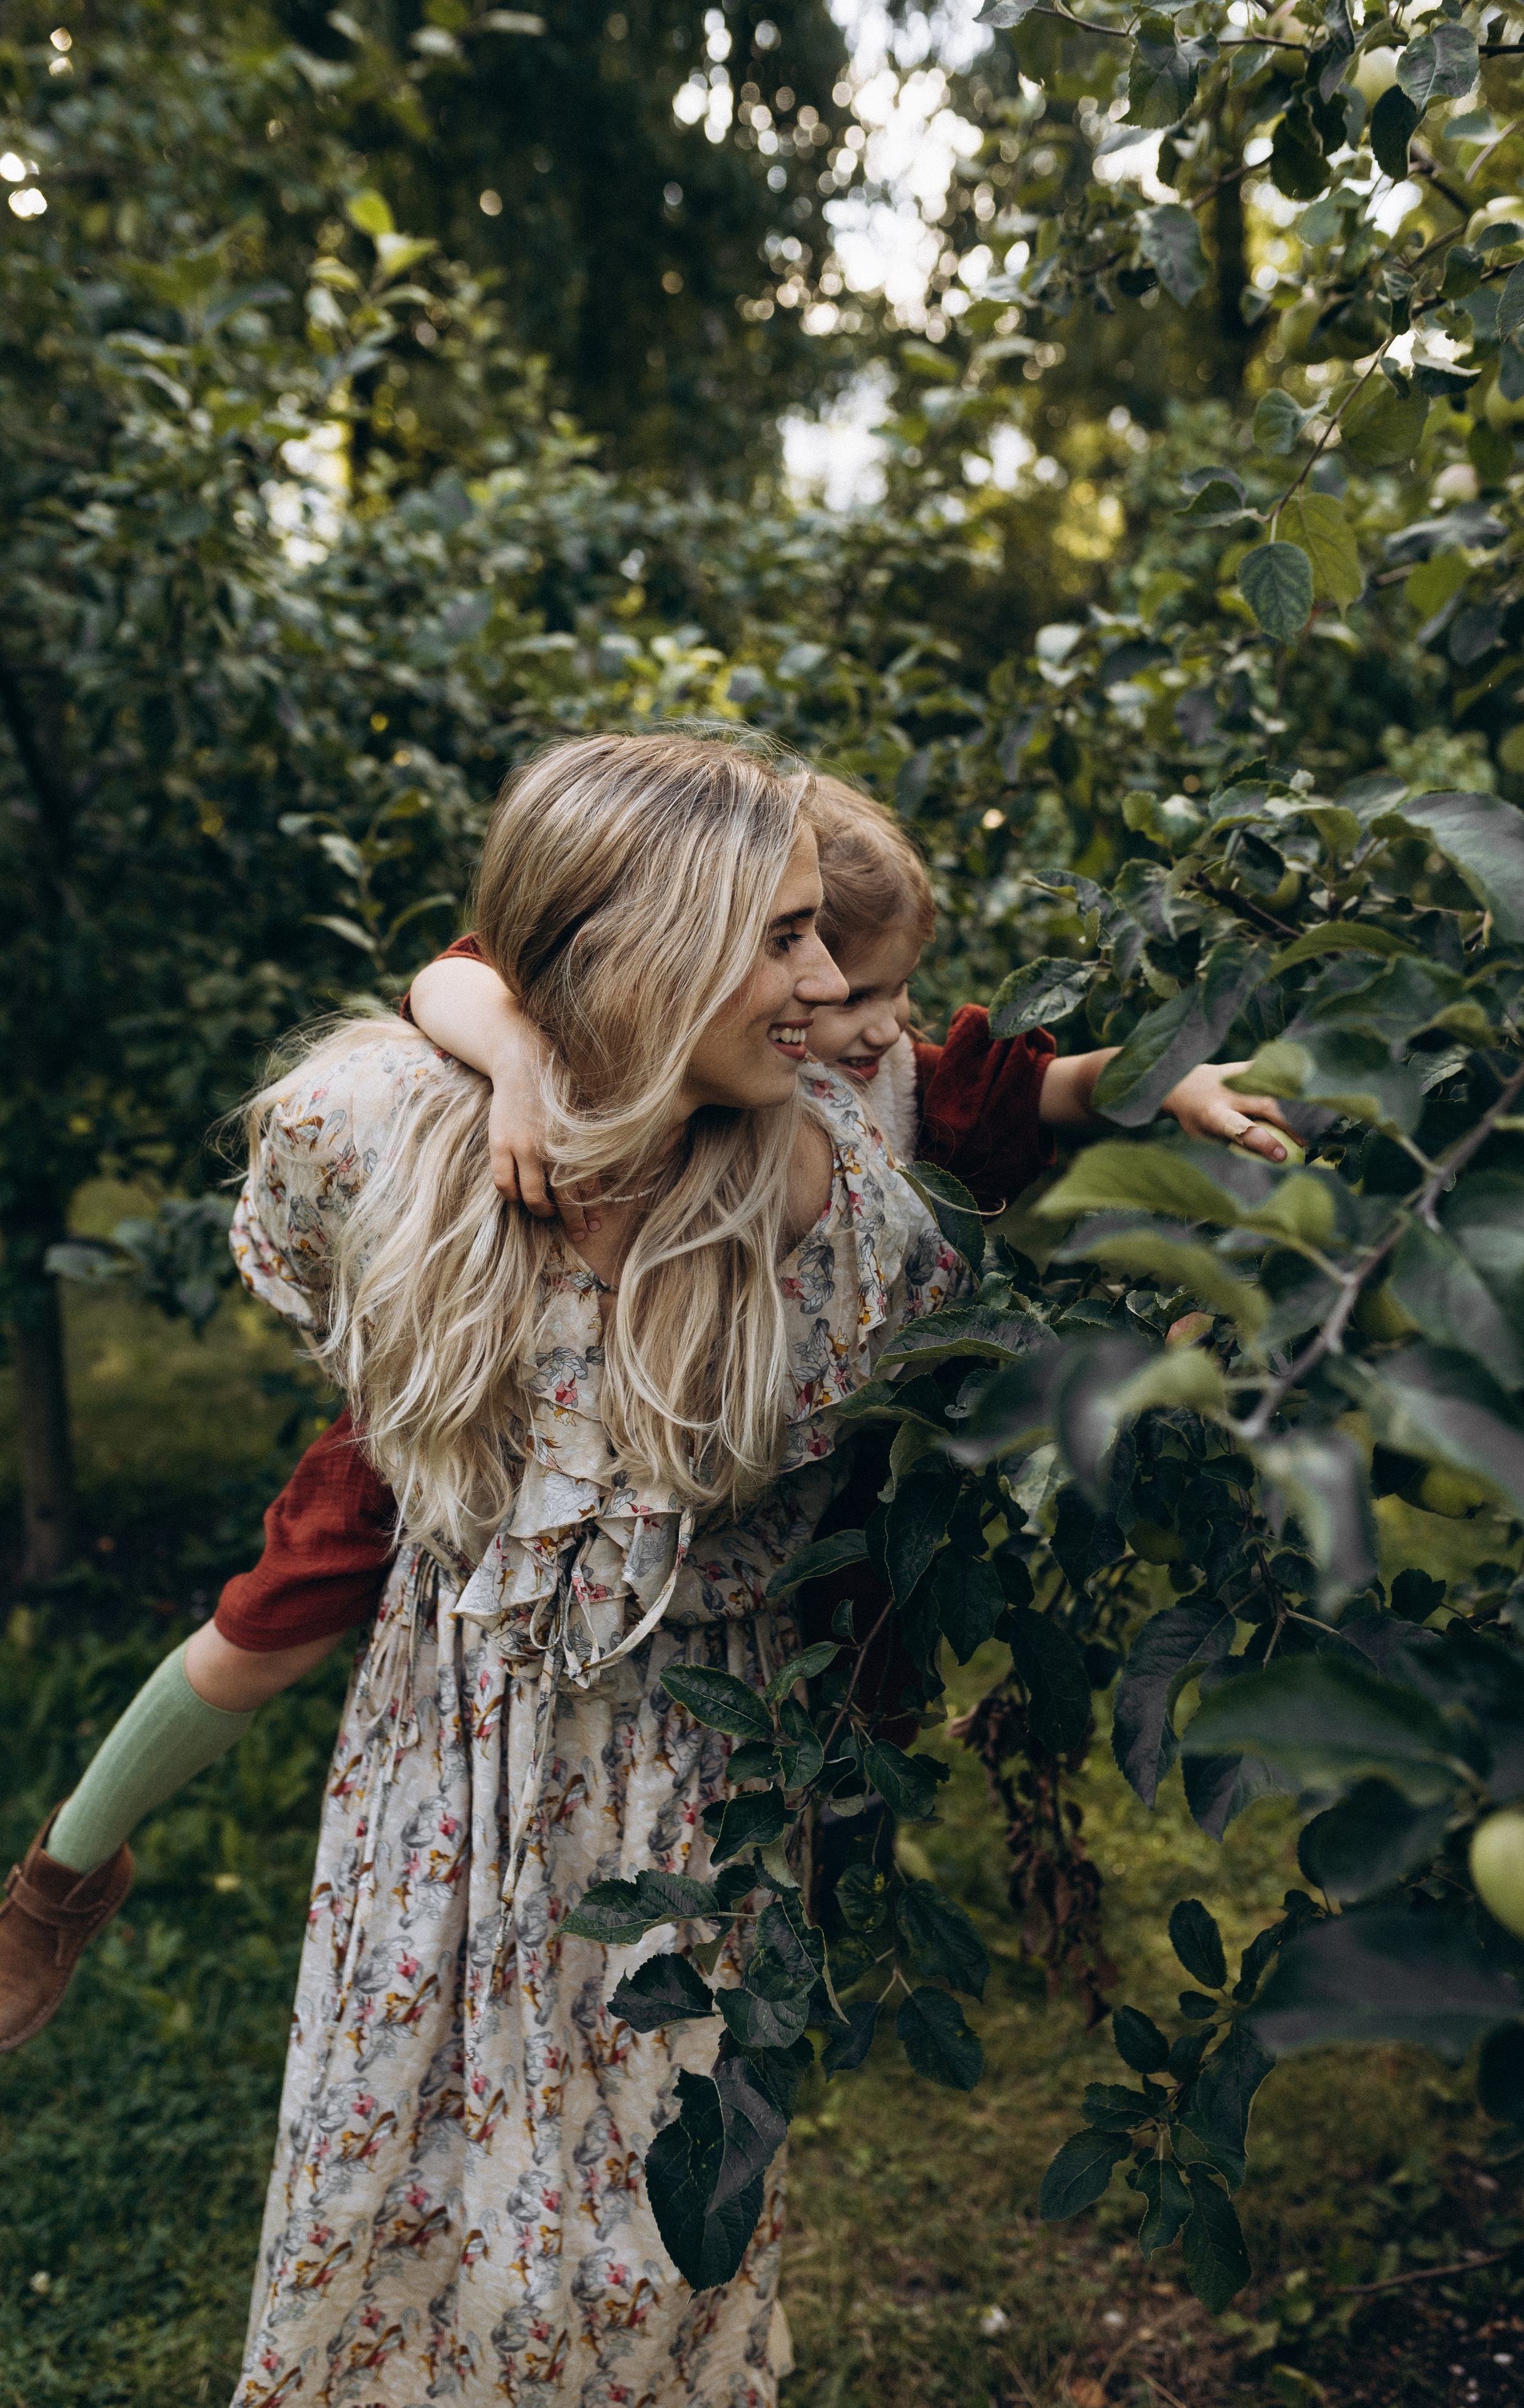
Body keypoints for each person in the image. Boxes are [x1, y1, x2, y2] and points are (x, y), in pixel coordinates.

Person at [0, 773, 1296, 2058]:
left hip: (718, 1551)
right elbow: (472, 971)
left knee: (857, 1661)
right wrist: (512, 1065)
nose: (857, 1012)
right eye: (807, 953)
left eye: (873, 982)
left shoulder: (864, 1172)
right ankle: (60, 1879)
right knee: (272, 1616)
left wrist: (1165, 1105)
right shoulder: (470, 1105)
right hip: (470, 1435)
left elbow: (1025, 1110)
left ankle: (825, 1888)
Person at [7, 731, 973, 2406]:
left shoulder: (836, 1227)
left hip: (679, 1800)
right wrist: (514, 1064)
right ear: (636, 946)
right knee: (392, 2175)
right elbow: (431, 1036)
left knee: (637, 2251)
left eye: (826, 933)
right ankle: (54, 1883)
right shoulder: (383, 1137)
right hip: (436, 1772)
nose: (824, 984)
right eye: (782, 934)